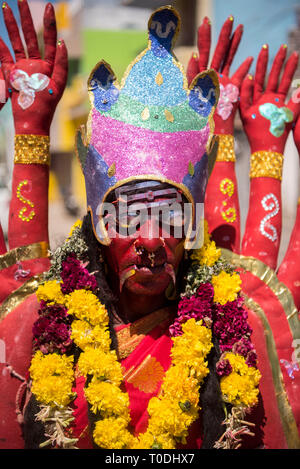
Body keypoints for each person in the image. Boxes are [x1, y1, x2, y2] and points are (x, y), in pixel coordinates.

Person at [0, 1, 299, 450]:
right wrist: (30, 125)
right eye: (130, 215)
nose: (151, 239)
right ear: (100, 225)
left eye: (170, 216)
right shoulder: (46, 319)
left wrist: (265, 155)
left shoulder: (236, 325)